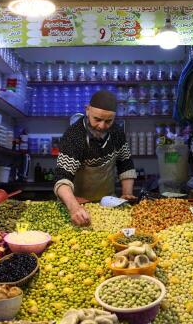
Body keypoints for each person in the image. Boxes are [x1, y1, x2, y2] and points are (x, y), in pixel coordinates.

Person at [54, 89, 136, 226]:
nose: (102, 126)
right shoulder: (74, 136)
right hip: (77, 204)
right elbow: (62, 179)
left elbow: (125, 163)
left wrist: (127, 193)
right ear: (87, 110)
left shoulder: (116, 132)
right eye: (97, 119)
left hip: (107, 203)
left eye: (108, 121)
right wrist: (74, 207)